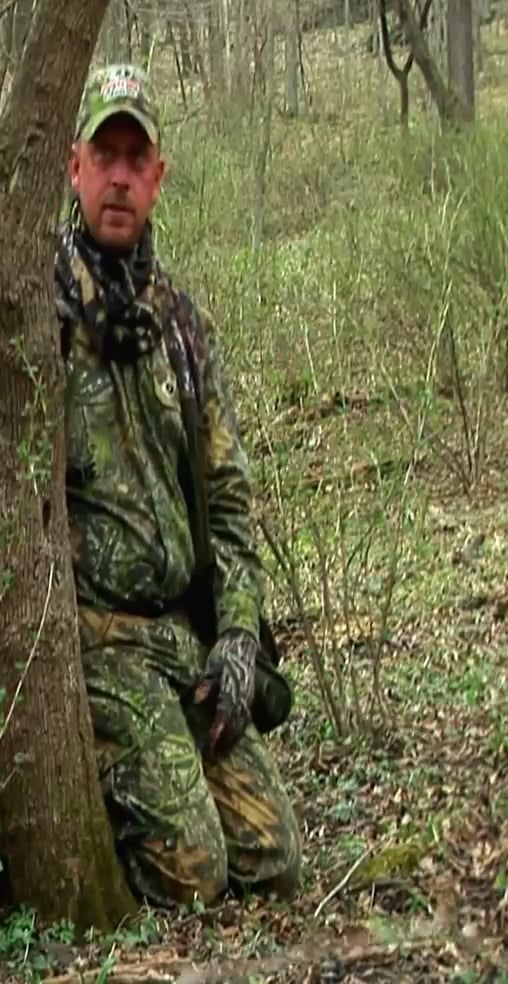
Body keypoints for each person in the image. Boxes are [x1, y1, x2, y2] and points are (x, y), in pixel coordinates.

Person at [55, 63, 302, 909]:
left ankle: (164, 781)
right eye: (105, 156)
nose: (120, 177)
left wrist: (237, 636)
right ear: (75, 167)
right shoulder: (40, 315)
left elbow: (228, 499)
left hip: (183, 640)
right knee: (195, 873)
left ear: (158, 177)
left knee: (273, 860)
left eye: (137, 159)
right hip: (101, 641)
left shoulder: (183, 327)